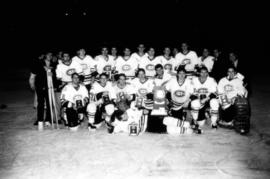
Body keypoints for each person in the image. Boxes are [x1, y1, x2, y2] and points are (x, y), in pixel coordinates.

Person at [29, 52, 55, 130]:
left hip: (49, 86)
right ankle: (40, 120)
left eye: (51, 55)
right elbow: (33, 76)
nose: (50, 56)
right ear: (45, 55)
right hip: (40, 86)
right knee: (40, 103)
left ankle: (48, 119)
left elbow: (55, 76)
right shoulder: (38, 63)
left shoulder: (53, 63)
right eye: (48, 55)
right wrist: (32, 84)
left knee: (49, 103)